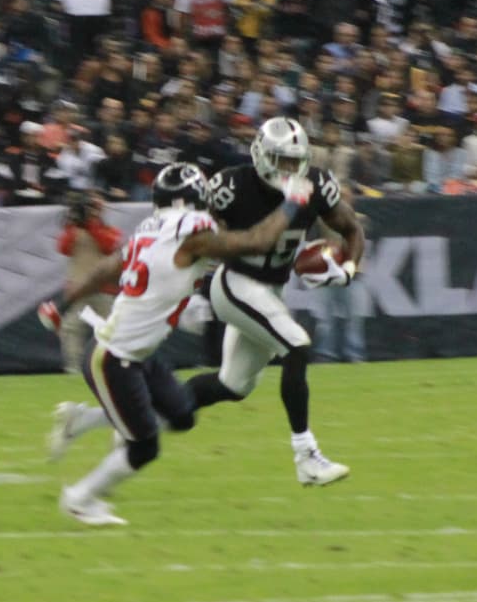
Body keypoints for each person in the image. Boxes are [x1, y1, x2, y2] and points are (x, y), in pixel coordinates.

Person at [38, 163, 315, 525]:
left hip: (136, 353)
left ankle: (83, 419)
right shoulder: (192, 234)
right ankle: (80, 498)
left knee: (182, 414)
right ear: (193, 199)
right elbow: (255, 242)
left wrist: (61, 305)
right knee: (144, 446)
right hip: (113, 357)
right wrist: (292, 203)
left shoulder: (150, 231)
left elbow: (105, 269)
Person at [193, 117, 365, 485]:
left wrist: (348, 269)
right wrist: (193, 286)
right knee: (297, 344)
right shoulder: (231, 185)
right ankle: (306, 456)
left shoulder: (316, 183)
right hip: (235, 283)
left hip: (270, 289)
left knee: (233, 385)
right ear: (261, 154)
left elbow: (351, 228)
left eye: (295, 161)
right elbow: (200, 237)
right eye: (282, 160)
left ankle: (149, 414)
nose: (290, 169)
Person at [57, 191, 123, 375]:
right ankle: (74, 370)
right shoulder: (75, 231)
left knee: (111, 331)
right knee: (71, 329)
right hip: (79, 291)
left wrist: (91, 222)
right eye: (91, 207)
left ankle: (117, 368)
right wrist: (74, 221)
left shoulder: (109, 231)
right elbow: (63, 247)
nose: (94, 210)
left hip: (103, 289)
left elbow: (108, 245)